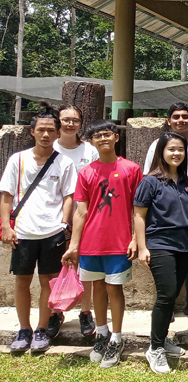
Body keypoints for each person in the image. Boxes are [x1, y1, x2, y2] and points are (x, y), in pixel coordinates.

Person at [60, 119, 142, 368]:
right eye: (98, 136)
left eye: (108, 134)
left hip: (119, 242)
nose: (103, 139)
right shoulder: (86, 172)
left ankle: (117, 338)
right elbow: (80, 212)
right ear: (91, 141)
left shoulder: (131, 169)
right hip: (90, 243)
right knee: (96, 289)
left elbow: (139, 209)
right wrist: (74, 245)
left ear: (117, 138)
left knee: (114, 289)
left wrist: (137, 239)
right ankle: (102, 332)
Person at [1, 111, 77, 353]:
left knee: (48, 282)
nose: (46, 134)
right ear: (32, 131)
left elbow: (68, 196)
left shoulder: (64, 162)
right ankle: (24, 329)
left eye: (51, 130)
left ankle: (42, 329)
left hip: (52, 231)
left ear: (58, 133)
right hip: (22, 231)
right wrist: (6, 225)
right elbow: (7, 195)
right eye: (41, 130)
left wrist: (65, 224)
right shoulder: (18, 159)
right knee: (22, 281)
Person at [134, 132, 188, 374]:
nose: (176, 153)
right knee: (166, 294)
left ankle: (162, 339)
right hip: (160, 244)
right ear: (161, 152)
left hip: (182, 245)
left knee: (172, 295)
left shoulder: (185, 180)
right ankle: (155, 347)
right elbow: (139, 216)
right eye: (171, 149)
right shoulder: (150, 181)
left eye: (180, 149)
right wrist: (142, 247)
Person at [142, 103, 188, 319]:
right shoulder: (156, 146)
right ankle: (164, 312)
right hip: (163, 217)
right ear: (168, 120)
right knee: (166, 276)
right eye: (176, 117)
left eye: (185, 116)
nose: (181, 120)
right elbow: (149, 177)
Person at [47, 103, 101, 339]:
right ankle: (55, 311)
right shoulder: (49, 148)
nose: (70, 124)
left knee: (85, 266)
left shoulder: (90, 151)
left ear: (81, 123)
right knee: (53, 266)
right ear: (58, 122)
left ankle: (86, 312)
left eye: (75, 120)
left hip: (86, 217)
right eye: (65, 119)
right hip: (53, 217)